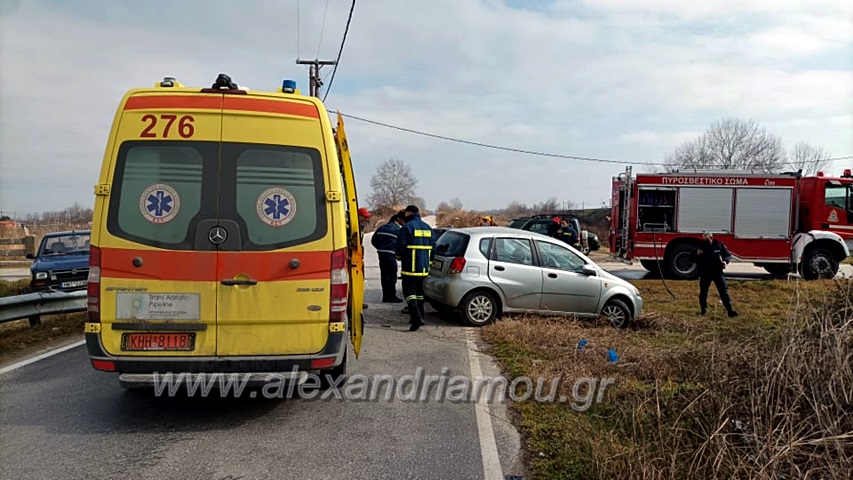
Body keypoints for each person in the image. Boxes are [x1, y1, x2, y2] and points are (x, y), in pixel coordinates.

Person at [395, 205, 434, 331]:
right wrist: (430, 263)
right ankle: (420, 316)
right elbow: (434, 247)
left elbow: (400, 246)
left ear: (409, 213)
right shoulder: (428, 228)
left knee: (409, 293)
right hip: (423, 268)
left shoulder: (407, 227)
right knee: (419, 294)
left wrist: (398, 255)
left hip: (410, 268)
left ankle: (416, 318)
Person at [695, 232, 739, 317]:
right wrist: (697, 254)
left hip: (717, 272)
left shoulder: (719, 244)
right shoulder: (700, 245)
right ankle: (703, 311)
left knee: (723, 291)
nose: (705, 241)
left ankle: (730, 311)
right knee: (703, 293)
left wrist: (725, 261)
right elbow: (692, 258)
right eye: (704, 239)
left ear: (711, 238)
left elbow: (727, 255)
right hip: (705, 272)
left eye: (707, 239)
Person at [371, 210, 405, 303]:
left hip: (381, 255)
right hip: (391, 255)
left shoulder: (381, 228)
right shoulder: (398, 230)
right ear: (397, 221)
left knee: (384, 275)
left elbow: (373, 240)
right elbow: (401, 244)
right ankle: (392, 296)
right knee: (392, 276)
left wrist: (380, 248)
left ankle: (385, 296)